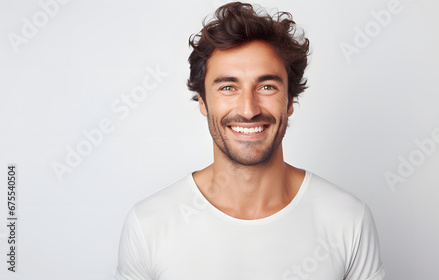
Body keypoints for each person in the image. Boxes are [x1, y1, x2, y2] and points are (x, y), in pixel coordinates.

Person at [115, 2, 385, 279]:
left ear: (290, 101)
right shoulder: (148, 224)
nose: (248, 109)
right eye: (228, 87)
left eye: (267, 86)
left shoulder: (348, 220)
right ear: (203, 102)